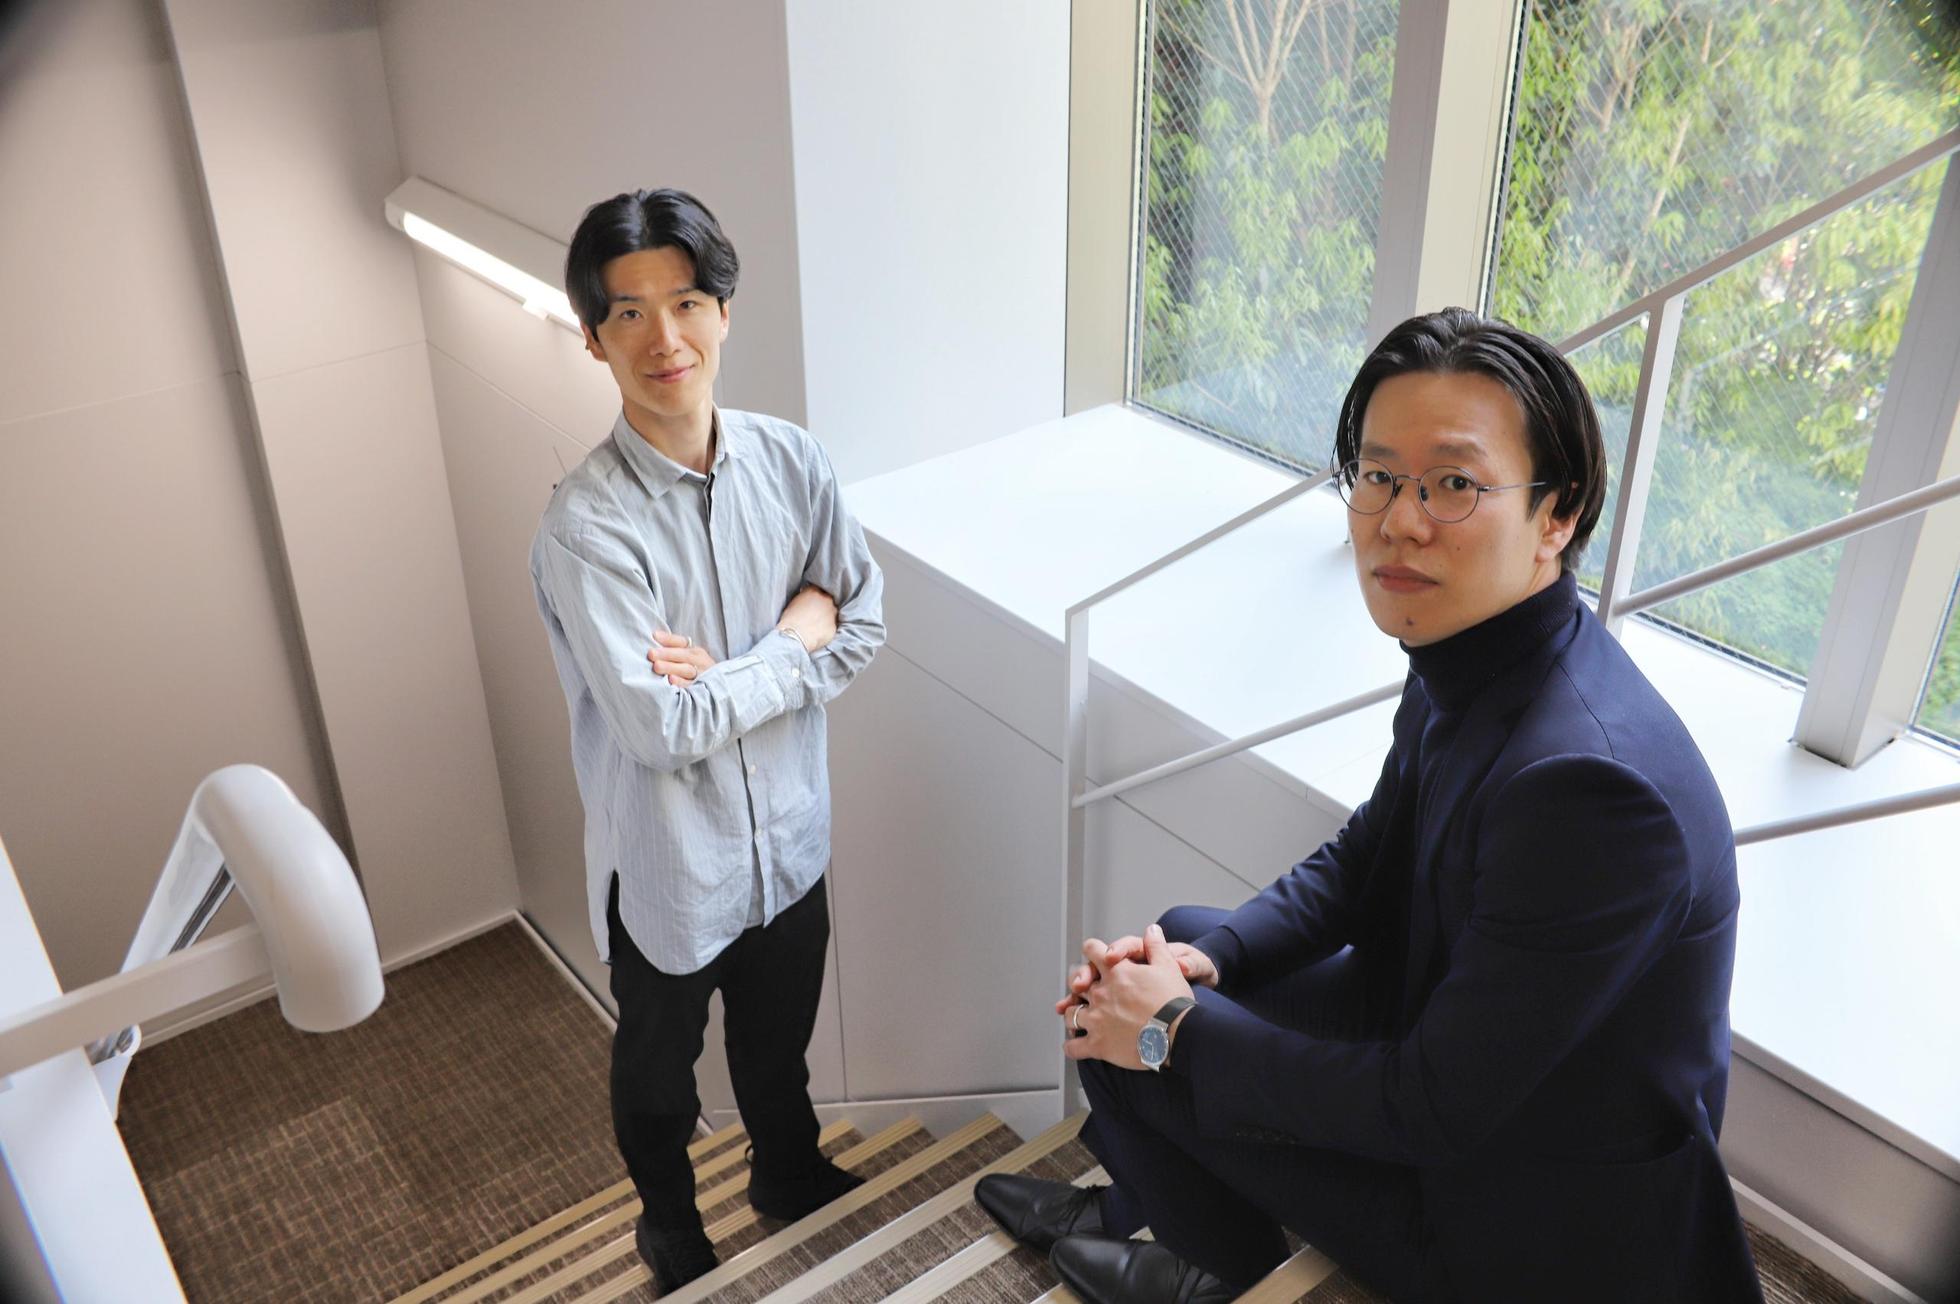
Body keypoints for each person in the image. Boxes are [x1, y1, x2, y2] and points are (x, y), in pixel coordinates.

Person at [977, 308, 1762, 1303]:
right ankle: (1157, 1210)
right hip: (1446, 1041)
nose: (1400, 519)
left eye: (1453, 484)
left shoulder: (1593, 791)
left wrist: (1173, 1025)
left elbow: (1431, 1109)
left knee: (1139, 1041)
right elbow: (1365, 857)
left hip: (1527, 1213)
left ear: (1556, 516)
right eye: (1380, 475)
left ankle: (1223, 1272)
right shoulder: (1472, 652)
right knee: (1171, 946)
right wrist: (1207, 965)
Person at [530, 188, 884, 1290]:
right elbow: (662, 727)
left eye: (685, 302)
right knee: (658, 1082)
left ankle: (787, 1170)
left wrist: (730, 671)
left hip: (790, 838)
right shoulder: (585, 526)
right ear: (593, 337)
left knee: (778, 1045)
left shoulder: (794, 462)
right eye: (629, 313)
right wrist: (790, 638)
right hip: (669, 865)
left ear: (723, 311)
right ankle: (669, 1227)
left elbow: (864, 621)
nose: (664, 338)